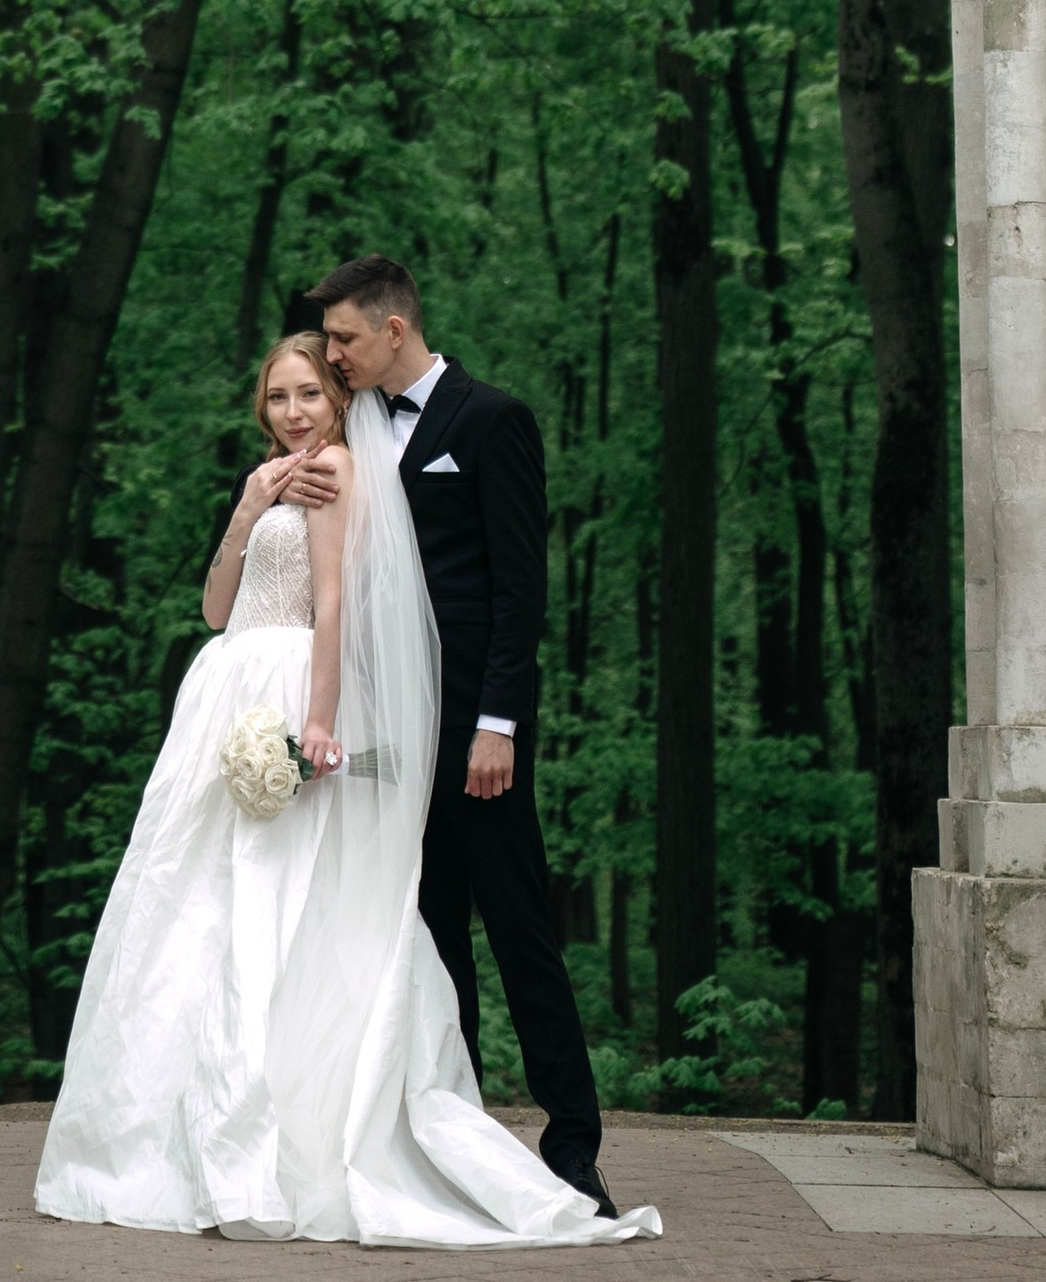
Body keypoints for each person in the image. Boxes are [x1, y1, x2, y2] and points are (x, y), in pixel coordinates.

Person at [34, 329, 658, 1246]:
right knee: (209, 913)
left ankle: (546, 1145)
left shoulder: (350, 471)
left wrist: (320, 723)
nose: (294, 411)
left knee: (359, 914)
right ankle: (187, 1129)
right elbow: (217, 609)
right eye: (279, 395)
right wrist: (248, 509)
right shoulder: (273, 478)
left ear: (342, 397)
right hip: (227, 698)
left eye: (312, 392)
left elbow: (336, 606)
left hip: (321, 701)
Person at [307, 255, 616, 1220]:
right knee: (430, 943)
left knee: (522, 938)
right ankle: (460, 1146)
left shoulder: (490, 420)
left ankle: (574, 1154)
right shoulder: (352, 426)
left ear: (394, 329)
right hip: (387, 735)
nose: (334, 355)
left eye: (346, 338)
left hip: (472, 735)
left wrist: (497, 725)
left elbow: (521, 590)